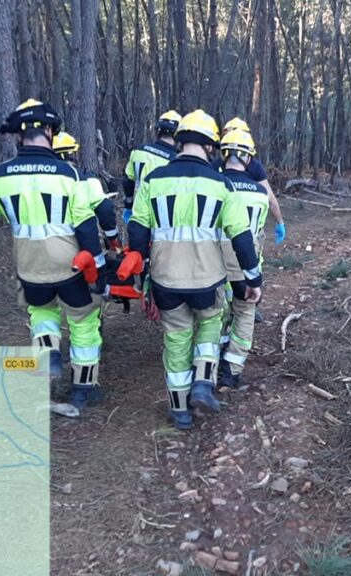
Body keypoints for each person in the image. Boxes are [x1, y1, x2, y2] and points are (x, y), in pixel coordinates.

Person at [0, 99, 105, 415]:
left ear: (18, 136)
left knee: (42, 315)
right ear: (50, 131)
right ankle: (83, 389)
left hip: (30, 268)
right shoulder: (70, 175)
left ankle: (48, 360)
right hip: (71, 268)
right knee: (84, 323)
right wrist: (99, 268)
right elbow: (86, 225)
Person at [121, 109, 263, 430]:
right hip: (207, 280)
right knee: (210, 327)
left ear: (180, 140)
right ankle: (203, 381)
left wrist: (142, 276)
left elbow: (139, 232)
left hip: (165, 280)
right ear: (211, 146)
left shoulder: (154, 182)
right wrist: (253, 278)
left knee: (176, 339)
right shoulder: (222, 184)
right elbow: (241, 238)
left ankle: (180, 411)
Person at [216, 129, 268, 389]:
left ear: (224, 155)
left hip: (215, 264)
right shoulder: (260, 192)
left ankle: (209, 361)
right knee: (245, 313)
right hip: (247, 267)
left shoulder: (214, 184)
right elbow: (257, 232)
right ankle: (233, 370)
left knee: (216, 315)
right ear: (248, 159)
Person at [217, 118, 287, 248]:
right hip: (249, 234)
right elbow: (270, 198)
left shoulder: (214, 166)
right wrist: (280, 222)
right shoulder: (254, 165)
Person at [53, 131, 121, 251]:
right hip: (79, 244)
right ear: (70, 154)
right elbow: (105, 209)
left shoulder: (34, 182)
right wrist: (113, 239)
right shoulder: (85, 179)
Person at [123, 110, 181, 223]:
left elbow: (128, 181)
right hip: (161, 218)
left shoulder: (139, 150)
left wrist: (128, 205)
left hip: (138, 213)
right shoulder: (175, 160)